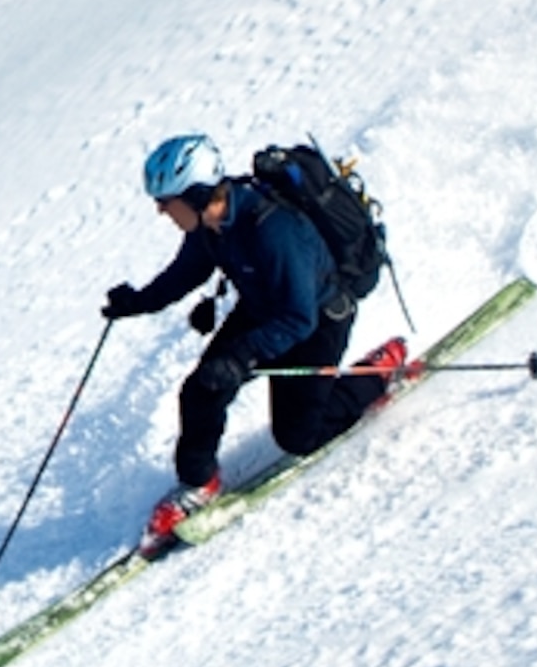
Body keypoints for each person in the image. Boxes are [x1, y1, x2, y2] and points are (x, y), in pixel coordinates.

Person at [102, 133, 408, 551]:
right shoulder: (211, 224)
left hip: (316, 320)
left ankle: (376, 374)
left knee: (299, 436)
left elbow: (299, 318)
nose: (160, 210)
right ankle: (199, 485)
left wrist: (242, 356)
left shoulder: (273, 230)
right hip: (267, 308)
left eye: (166, 200)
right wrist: (137, 302)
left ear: (194, 195)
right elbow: (185, 273)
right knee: (203, 388)